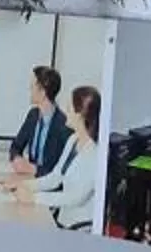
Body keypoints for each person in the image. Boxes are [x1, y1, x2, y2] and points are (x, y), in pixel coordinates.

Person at [31, 85, 102, 232]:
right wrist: (26, 185)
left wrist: (34, 198)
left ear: (80, 114)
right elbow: (55, 177)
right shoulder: (73, 139)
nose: (65, 111)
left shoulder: (96, 154)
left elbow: (75, 198)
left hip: (77, 229)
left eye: (69, 107)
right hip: (61, 221)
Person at [6, 65, 69, 179]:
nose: (29, 90)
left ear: (43, 91)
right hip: (27, 178)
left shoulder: (63, 126)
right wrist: (16, 158)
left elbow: (60, 171)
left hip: (48, 186)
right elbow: (16, 146)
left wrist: (34, 169)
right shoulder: (33, 115)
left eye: (32, 87)